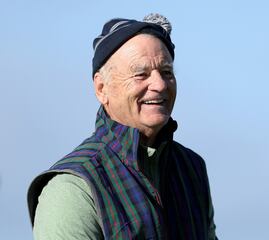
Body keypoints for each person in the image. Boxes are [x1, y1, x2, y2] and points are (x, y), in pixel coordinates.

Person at [27, 13, 217, 240]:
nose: (159, 84)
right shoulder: (73, 188)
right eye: (141, 74)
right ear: (101, 88)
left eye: (166, 72)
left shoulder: (190, 168)